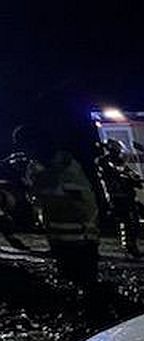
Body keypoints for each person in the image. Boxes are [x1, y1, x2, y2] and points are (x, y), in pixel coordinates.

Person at [14, 124, 100, 291]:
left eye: (26, 147)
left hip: (81, 240)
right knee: (71, 282)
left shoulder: (65, 165)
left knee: (87, 283)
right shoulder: (37, 168)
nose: (25, 153)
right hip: (59, 239)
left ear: (37, 144)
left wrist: (34, 181)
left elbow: (70, 197)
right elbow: (38, 199)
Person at [94, 138, 144, 258]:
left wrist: (135, 178)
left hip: (128, 197)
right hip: (117, 198)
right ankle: (127, 247)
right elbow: (114, 174)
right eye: (116, 150)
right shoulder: (104, 162)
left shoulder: (119, 162)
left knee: (134, 223)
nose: (119, 153)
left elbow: (130, 173)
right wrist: (127, 178)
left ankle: (133, 246)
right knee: (125, 223)